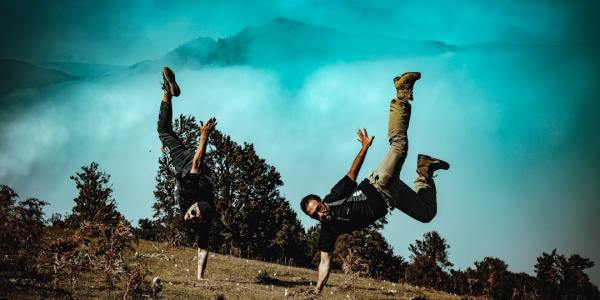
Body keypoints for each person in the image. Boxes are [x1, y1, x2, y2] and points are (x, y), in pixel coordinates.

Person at [299, 72, 450, 293]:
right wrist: (317, 290)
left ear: (322, 202)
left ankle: (401, 95)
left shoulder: (334, 196)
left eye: (318, 207)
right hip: (393, 198)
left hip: (379, 184)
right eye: (315, 214)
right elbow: (325, 262)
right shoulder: (327, 232)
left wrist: (364, 147)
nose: (320, 213)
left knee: (399, 146)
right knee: (426, 214)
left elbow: (352, 172)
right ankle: (424, 170)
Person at [157, 66, 217, 280]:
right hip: (188, 163)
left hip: (196, 172)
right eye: (193, 213)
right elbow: (197, 163)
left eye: (193, 218)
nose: (189, 217)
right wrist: (203, 137)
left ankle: (167, 90)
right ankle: (167, 92)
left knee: (167, 132)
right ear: (195, 205)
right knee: (163, 131)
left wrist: (200, 278)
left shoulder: (204, 219)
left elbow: (203, 249)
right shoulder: (193, 194)